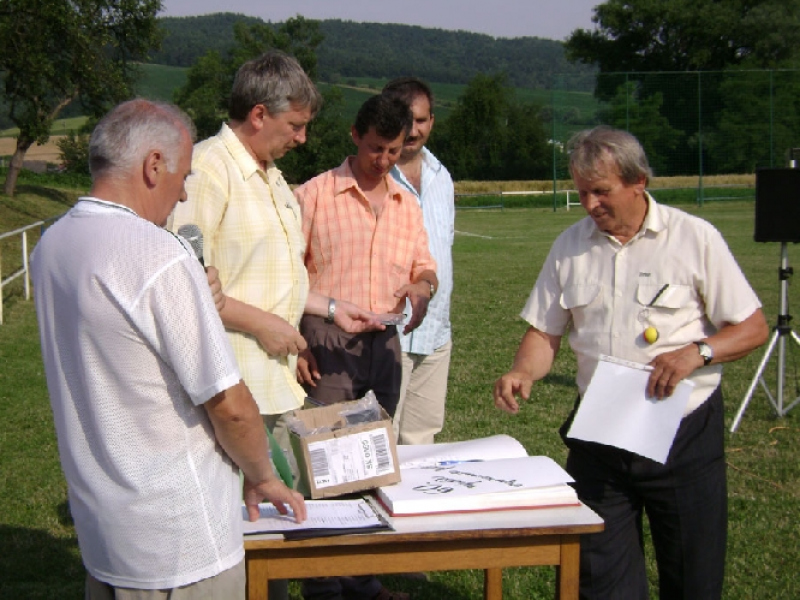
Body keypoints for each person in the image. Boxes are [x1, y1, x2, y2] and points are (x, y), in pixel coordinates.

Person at [31, 99, 306, 599]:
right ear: (153, 165)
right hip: (180, 544)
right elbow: (230, 405)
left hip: (104, 530)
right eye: (183, 177)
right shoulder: (160, 254)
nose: (182, 197)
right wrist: (262, 475)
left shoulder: (52, 243)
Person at [493, 126, 768, 600]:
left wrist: (696, 353)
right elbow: (544, 331)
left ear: (639, 181)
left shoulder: (694, 238)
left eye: (602, 191)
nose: (590, 204)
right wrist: (522, 370)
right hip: (599, 435)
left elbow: (752, 326)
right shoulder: (570, 246)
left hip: (683, 433)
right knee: (600, 581)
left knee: (693, 579)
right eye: (582, 192)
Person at [169, 50, 380, 470]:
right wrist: (265, 326)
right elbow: (184, 285)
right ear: (259, 114)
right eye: (296, 126)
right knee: (246, 514)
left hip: (272, 380)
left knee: (271, 511)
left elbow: (272, 279)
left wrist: (333, 309)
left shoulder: (272, 175)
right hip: (230, 385)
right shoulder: (208, 169)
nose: (301, 138)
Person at [294, 93, 438, 419]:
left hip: (386, 341)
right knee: (328, 445)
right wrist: (299, 343)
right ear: (355, 135)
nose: (384, 160)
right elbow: (287, 276)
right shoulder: (313, 195)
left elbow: (425, 267)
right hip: (327, 338)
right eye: (376, 147)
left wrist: (424, 286)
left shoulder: (407, 205)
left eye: (394, 151)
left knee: (379, 446)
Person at [382, 77, 455, 446]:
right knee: (383, 438)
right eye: (405, 120)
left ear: (432, 121)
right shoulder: (373, 176)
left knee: (422, 441)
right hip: (388, 332)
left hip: (436, 331)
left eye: (422, 120)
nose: (413, 130)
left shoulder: (442, 177)